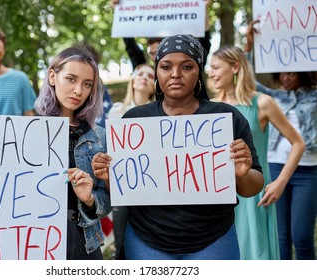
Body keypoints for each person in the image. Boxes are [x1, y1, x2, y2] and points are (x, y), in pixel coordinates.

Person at [0, 47, 112, 260]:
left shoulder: (98, 137)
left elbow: (106, 205)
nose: (78, 90)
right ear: (53, 76)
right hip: (33, 245)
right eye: (71, 79)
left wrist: (89, 199)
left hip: (84, 246)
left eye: (87, 84)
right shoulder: (19, 132)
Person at [91, 34, 264, 260]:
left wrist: (241, 174)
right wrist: (108, 176)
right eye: (166, 66)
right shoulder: (133, 120)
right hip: (147, 241)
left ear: (199, 71)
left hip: (214, 240)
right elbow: (121, 190)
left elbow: (253, 186)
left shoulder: (226, 117)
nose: (175, 74)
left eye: (187, 66)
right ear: (157, 71)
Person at [209, 45, 305, 259]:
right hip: (220, 196)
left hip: (253, 193)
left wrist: (280, 183)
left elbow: (298, 143)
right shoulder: (211, 107)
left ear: (235, 67)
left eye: (216, 67)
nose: (211, 73)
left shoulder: (262, 103)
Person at [245, 20, 317, 260]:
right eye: (283, 73)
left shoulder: (314, 96)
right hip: (276, 168)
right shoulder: (274, 97)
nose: (286, 78)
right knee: (282, 237)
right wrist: (250, 44)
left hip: (308, 170)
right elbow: (247, 82)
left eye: (292, 73)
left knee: (302, 236)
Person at [107, 63, 155, 259]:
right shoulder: (117, 111)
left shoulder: (161, 114)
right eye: (140, 73)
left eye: (150, 75)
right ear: (133, 81)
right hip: (123, 189)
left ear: (155, 85)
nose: (144, 77)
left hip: (152, 190)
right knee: (121, 248)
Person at [111, 0, 212, 69]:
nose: (155, 57)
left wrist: (202, 10)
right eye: (152, 53)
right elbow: (130, 44)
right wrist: (120, 12)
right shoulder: (143, 70)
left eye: (159, 52)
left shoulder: (188, 66)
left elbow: (204, 43)